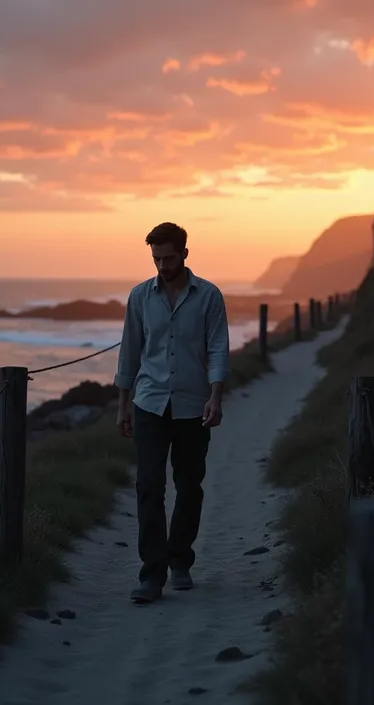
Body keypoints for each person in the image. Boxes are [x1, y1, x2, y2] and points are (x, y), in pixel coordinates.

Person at [114, 222, 230, 604]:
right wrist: (123, 407)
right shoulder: (140, 297)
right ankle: (152, 574)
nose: (162, 266)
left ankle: (180, 559)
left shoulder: (209, 296)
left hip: (193, 404)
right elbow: (129, 352)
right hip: (149, 402)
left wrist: (215, 397)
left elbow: (217, 349)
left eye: (168, 258)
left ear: (184, 253)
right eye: (156, 259)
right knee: (149, 486)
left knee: (189, 485)